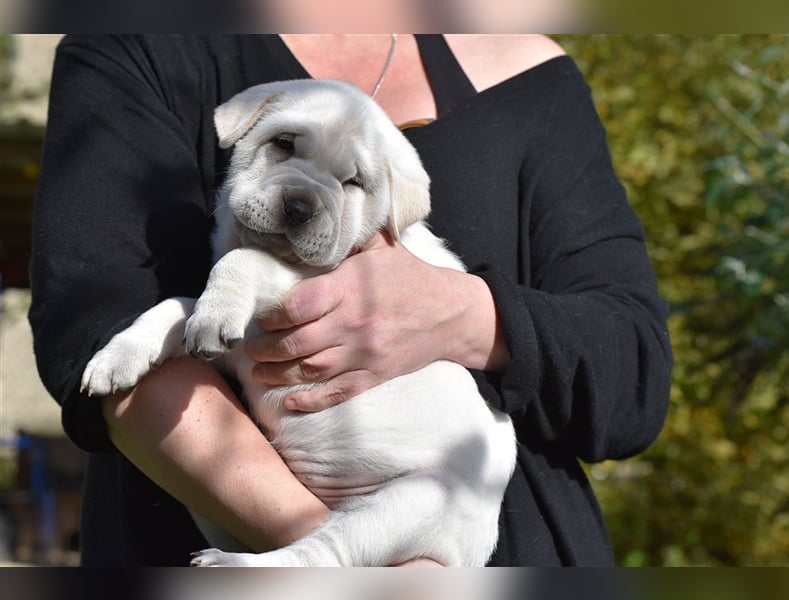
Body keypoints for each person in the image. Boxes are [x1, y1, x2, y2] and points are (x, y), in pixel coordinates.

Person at [29, 34, 672, 566]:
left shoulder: (531, 76)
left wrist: (466, 316)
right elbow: (94, 324)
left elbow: (633, 375)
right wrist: (357, 565)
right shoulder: (141, 43)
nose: (303, 195)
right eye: (284, 146)